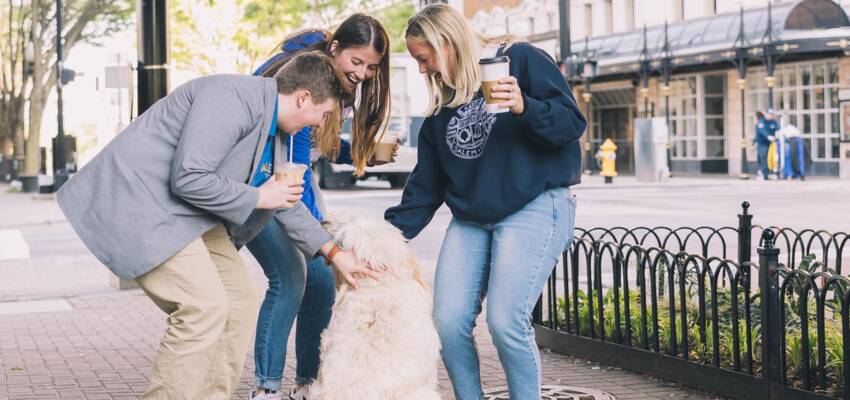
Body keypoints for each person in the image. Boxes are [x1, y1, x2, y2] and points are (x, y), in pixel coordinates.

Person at [56, 52, 378, 400]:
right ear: (303, 98)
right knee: (203, 307)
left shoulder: (279, 134)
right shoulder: (231, 98)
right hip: (143, 205)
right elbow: (188, 177)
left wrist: (334, 252)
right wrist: (258, 197)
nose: (320, 123)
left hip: (188, 215)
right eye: (324, 113)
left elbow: (285, 200)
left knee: (238, 303)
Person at [385, 4, 586, 400]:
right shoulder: (441, 113)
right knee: (448, 322)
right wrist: (380, 241)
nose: (422, 70)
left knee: (505, 321)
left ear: (447, 43)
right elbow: (424, 190)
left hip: (535, 203)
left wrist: (524, 106)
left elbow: (570, 125)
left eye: (424, 59)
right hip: (473, 218)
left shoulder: (520, 61)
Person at [246, 15, 393, 400]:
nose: (362, 73)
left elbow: (316, 142)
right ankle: (267, 389)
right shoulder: (304, 81)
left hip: (289, 187)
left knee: (321, 280)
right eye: (356, 62)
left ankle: (308, 384)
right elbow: (292, 166)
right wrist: (321, 238)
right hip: (260, 187)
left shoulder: (336, 84)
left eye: (371, 66)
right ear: (334, 50)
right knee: (291, 278)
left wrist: (356, 153)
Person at [755, 109, 779, 179]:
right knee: (763, 157)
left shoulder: (773, 122)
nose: (771, 116)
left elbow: (778, 129)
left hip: (771, 144)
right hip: (762, 143)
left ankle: (769, 173)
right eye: (770, 114)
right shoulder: (761, 121)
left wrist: (778, 135)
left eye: (772, 115)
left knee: (772, 158)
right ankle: (763, 174)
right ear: (766, 114)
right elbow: (762, 131)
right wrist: (768, 136)